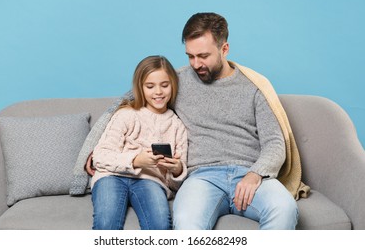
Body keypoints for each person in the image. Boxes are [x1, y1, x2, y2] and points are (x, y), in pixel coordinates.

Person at [85, 13, 307, 230]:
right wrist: (91, 152)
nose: (196, 64)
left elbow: (275, 144)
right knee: (186, 221)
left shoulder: (255, 87)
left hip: (249, 173)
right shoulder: (176, 80)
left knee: (284, 209)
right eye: (190, 56)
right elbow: (128, 102)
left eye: (203, 56)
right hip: (202, 177)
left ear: (224, 49)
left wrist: (255, 174)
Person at [90, 55, 187, 230]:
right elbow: (100, 156)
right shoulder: (127, 114)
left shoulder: (177, 126)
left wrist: (177, 169)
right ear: (140, 88)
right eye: (150, 86)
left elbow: (176, 183)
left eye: (164, 85)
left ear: (173, 85)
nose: (158, 92)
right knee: (106, 222)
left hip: (151, 180)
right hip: (111, 176)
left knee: (160, 226)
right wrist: (135, 161)